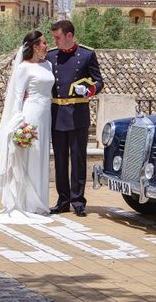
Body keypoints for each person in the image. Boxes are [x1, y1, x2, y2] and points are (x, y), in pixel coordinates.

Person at [0, 31, 54, 225]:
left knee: (42, 156)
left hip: (46, 115)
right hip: (31, 115)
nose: (47, 45)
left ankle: (40, 202)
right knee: (30, 156)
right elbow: (18, 96)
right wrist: (19, 123)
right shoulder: (23, 68)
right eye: (44, 43)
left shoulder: (48, 64)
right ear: (35, 46)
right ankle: (26, 202)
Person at [46, 20, 103, 217]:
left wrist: (88, 90)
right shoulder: (51, 56)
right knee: (60, 160)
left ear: (69, 35)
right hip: (57, 114)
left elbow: (99, 81)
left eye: (58, 37)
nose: (55, 40)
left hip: (78, 113)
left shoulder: (87, 55)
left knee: (78, 159)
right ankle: (63, 200)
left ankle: (78, 200)